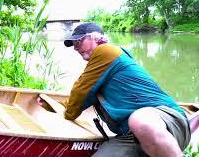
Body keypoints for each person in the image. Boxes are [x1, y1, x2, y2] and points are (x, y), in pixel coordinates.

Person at [39, 22, 190, 157]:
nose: (76, 48)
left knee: (140, 120)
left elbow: (80, 91)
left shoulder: (105, 51)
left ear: (96, 38)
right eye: (74, 45)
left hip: (167, 121)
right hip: (131, 136)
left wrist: (68, 114)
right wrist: (49, 104)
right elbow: (83, 100)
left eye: (79, 41)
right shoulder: (101, 68)